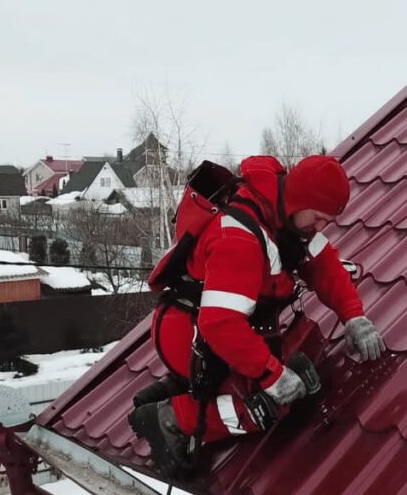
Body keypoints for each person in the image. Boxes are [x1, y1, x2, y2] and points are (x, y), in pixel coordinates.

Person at [129, 155, 385, 476]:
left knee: (292, 373)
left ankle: (178, 388)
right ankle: (172, 418)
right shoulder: (239, 238)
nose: (320, 228)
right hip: (191, 335)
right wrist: (272, 376)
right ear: (300, 201)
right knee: (271, 406)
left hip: (208, 332)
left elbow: (325, 267)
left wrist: (354, 317)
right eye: (319, 218)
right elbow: (220, 324)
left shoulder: (285, 214)